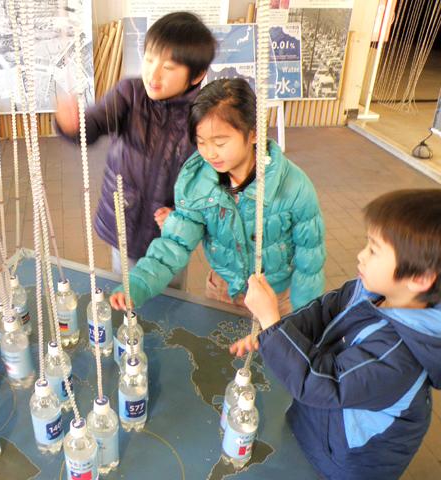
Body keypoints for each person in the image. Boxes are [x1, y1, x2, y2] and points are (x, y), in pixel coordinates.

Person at [232, 189, 441, 479]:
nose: (360, 255)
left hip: (344, 462)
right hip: (317, 423)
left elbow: (324, 382)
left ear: (419, 278)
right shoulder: (371, 291)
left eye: (374, 249)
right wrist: (272, 333)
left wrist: (271, 321)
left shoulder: (398, 357)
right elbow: (321, 312)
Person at [110, 78, 325, 314]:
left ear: (253, 134)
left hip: (275, 296)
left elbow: (310, 261)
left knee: (272, 348)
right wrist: (138, 284)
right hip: (222, 290)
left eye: (220, 142)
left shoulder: (294, 187)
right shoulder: (197, 184)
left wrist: (306, 316)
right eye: (201, 142)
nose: (209, 153)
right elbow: (175, 244)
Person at [55, 12, 216, 288]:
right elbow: (94, 123)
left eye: (169, 67)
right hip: (124, 221)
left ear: (197, 74)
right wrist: (73, 124)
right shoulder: (129, 93)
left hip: (171, 232)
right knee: (126, 288)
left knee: (170, 294)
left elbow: (208, 179)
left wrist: (181, 215)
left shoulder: (203, 115)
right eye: (150, 59)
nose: (153, 74)